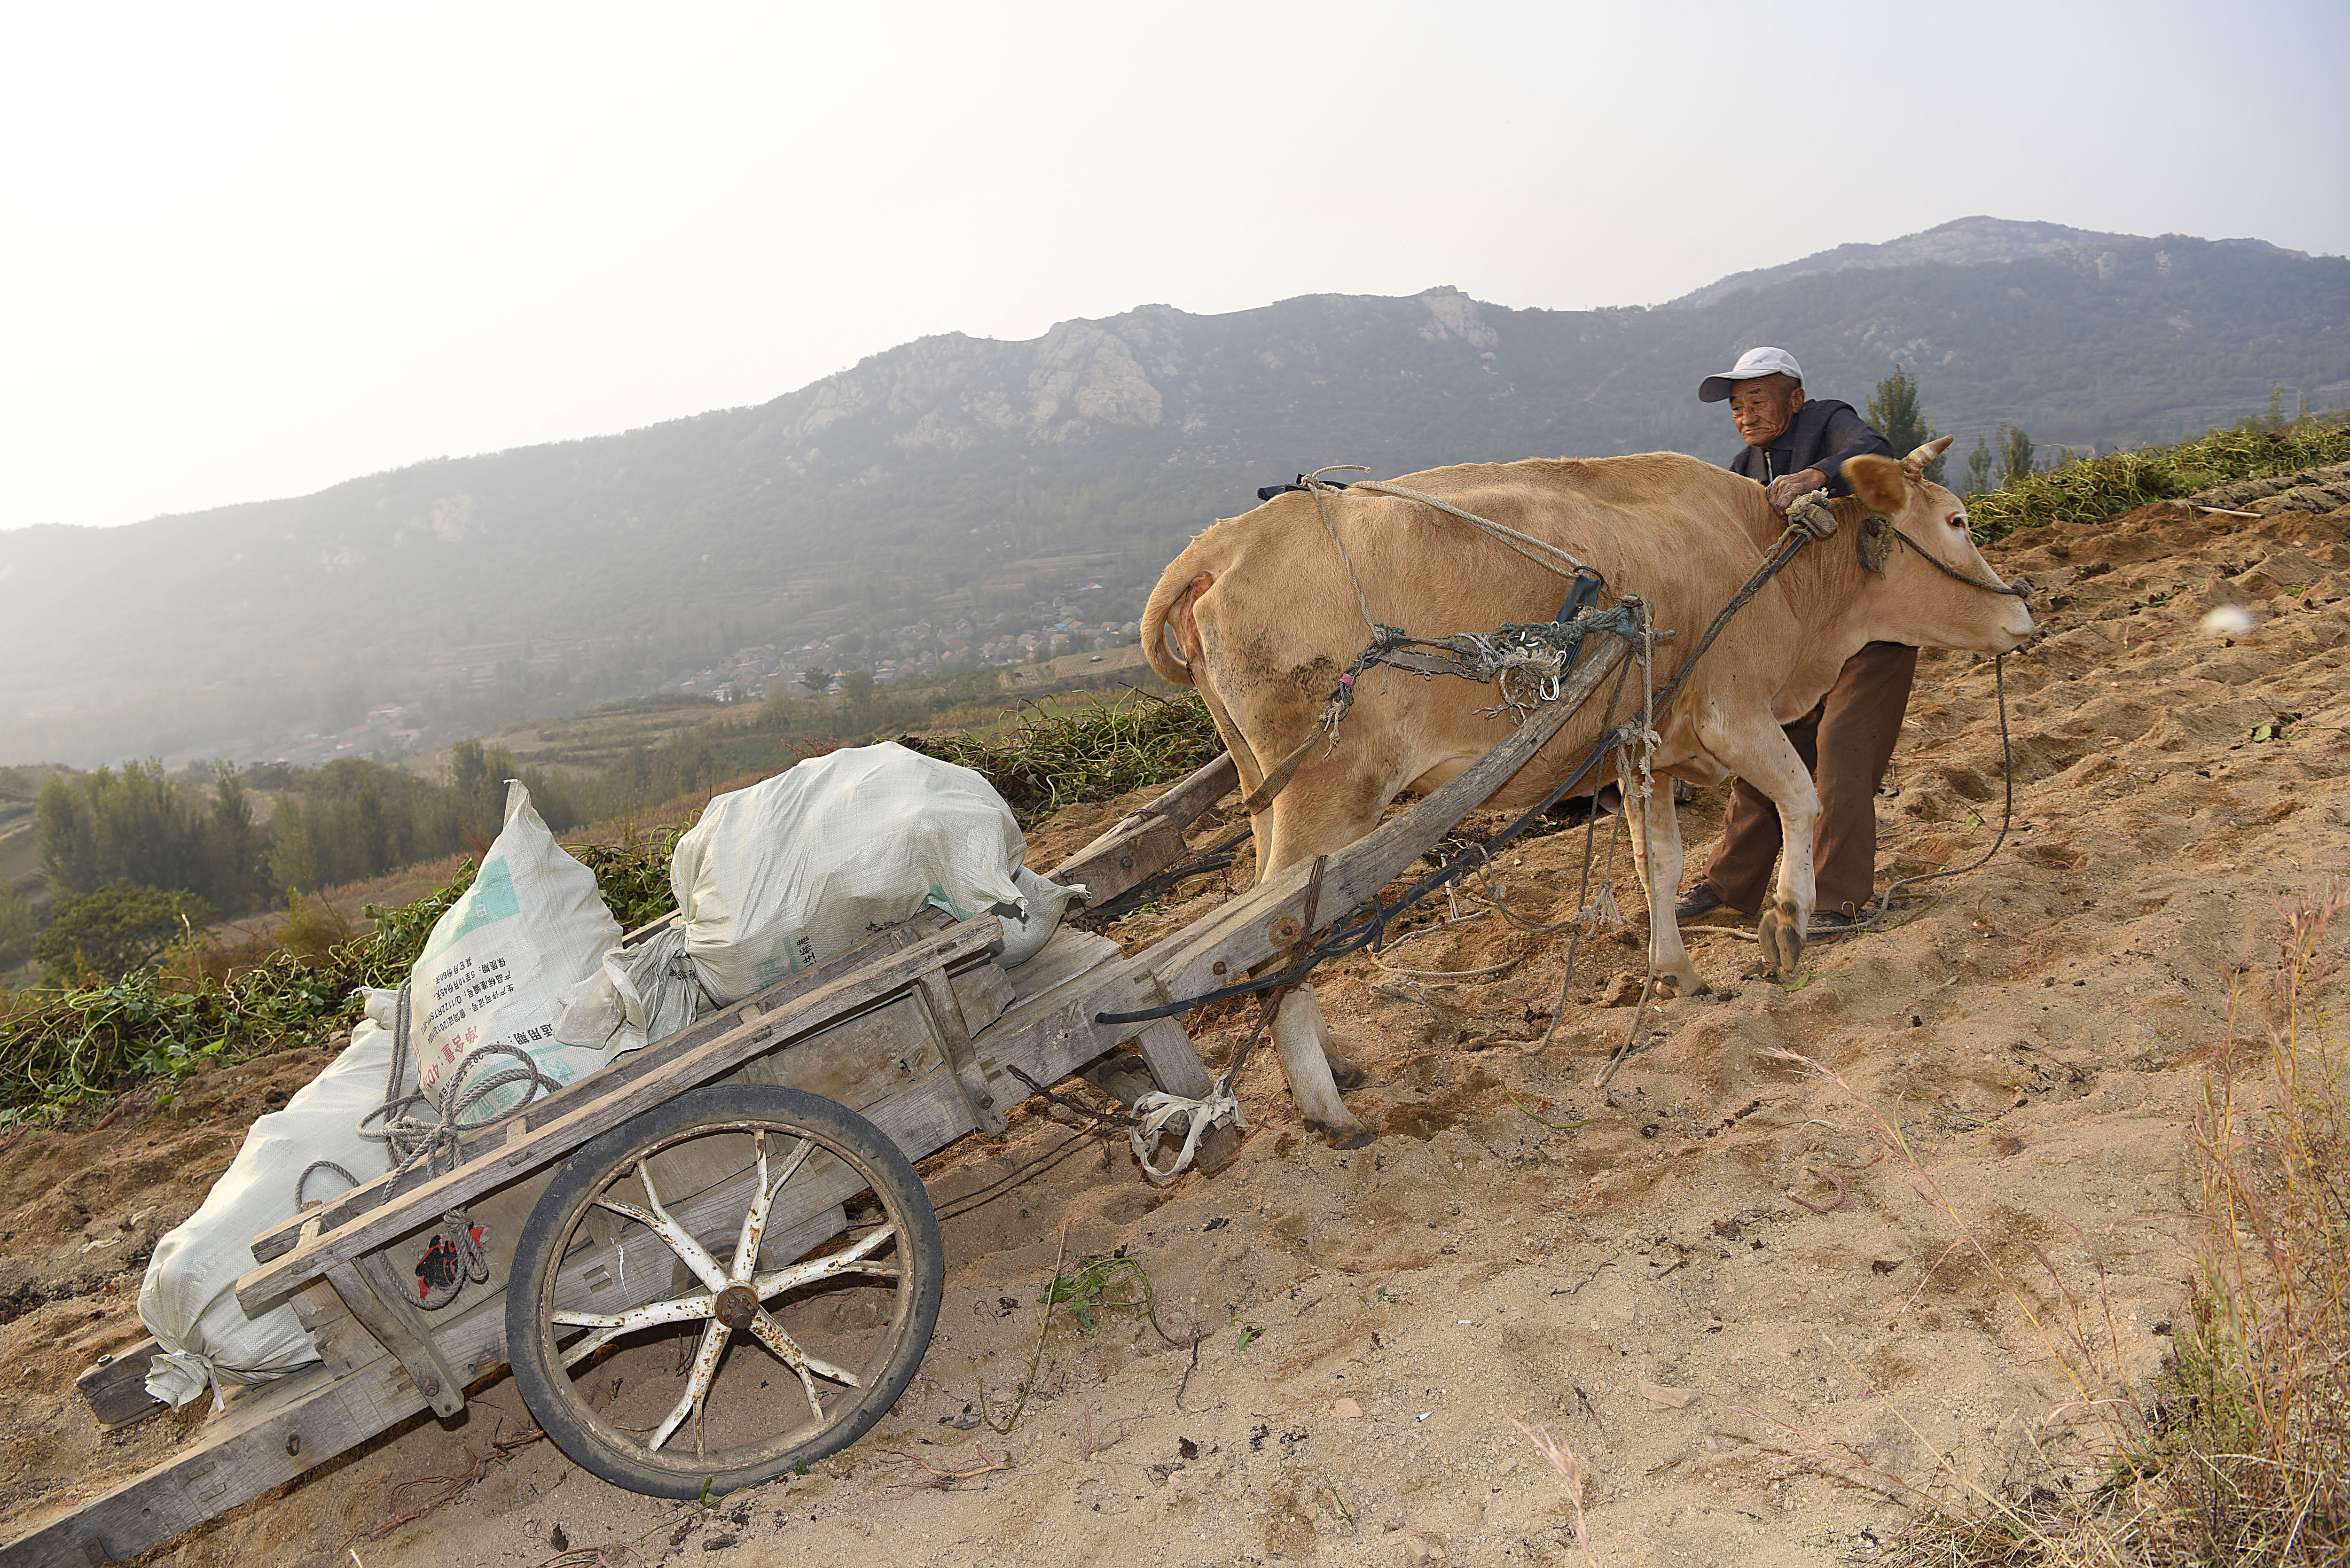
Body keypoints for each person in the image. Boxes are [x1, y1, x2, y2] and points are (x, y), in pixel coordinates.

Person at [1676, 346, 1907, 934]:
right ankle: (1729, 890)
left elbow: (1877, 454)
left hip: (1868, 627)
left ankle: (1835, 899)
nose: (1745, 414)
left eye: (1757, 400)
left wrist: (1816, 476)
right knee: (1766, 756)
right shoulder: (1745, 469)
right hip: (1800, 640)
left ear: (1795, 399)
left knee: (1842, 755)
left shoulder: (1831, 422)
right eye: (1735, 405)